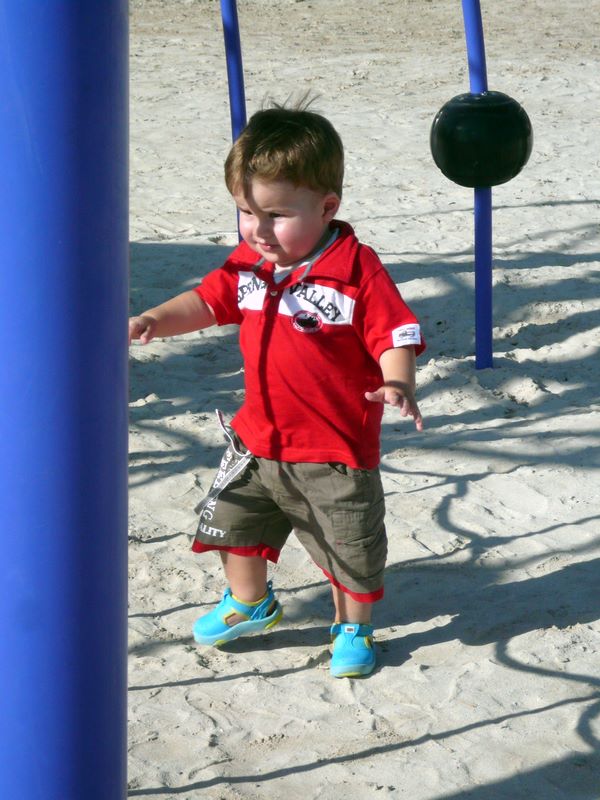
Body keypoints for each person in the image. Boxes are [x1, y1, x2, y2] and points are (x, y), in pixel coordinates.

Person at [129, 101, 425, 678]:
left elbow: (395, 334)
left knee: (348, 549)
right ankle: (250, 602)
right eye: (245, 212)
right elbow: (207, 300)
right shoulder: (250, 264)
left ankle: (352, 627)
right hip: (257, 440)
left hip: (333, 451)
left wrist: (397, 381)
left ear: (327, 207)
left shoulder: (356, 269)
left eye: (276, 215)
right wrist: (155, 320)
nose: (258, 230)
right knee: (234, 526)